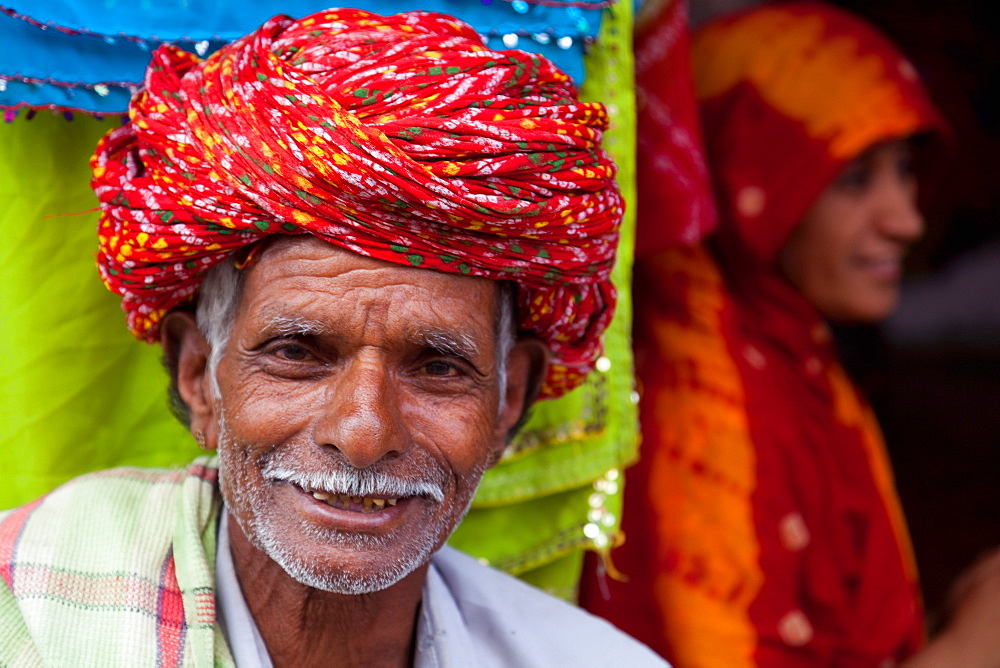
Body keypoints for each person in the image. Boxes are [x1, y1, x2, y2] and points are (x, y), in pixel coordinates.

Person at [0, 9, 665, 665]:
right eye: (297, 355)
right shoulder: (24, 614)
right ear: (198, 374)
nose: (363, 432)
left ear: (510, 397)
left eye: (437, 367)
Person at [581, 2, 966, 665]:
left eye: (905, 172)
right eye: (853, 180)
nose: (905, 219)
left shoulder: (795, 361)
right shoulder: (704, 417)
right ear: (743, 177)